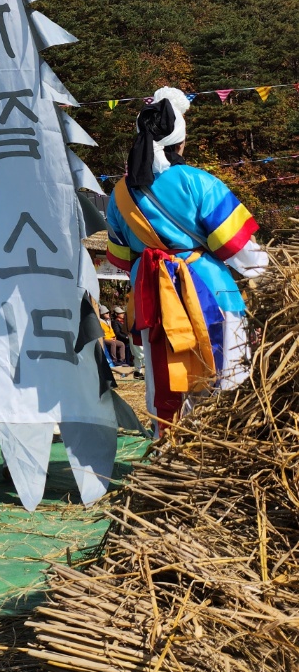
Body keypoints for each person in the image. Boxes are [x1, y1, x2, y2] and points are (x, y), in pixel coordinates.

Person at [106, 86, 268, 432]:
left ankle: (169, 452)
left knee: (164, 383)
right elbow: (244, 254)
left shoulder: (119, 194)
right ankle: (223, 456)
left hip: (152, 301)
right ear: (180, 142)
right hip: (210, 289)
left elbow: (121, 257)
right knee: (226, 380)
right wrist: (271, 275)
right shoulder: (199, 182)